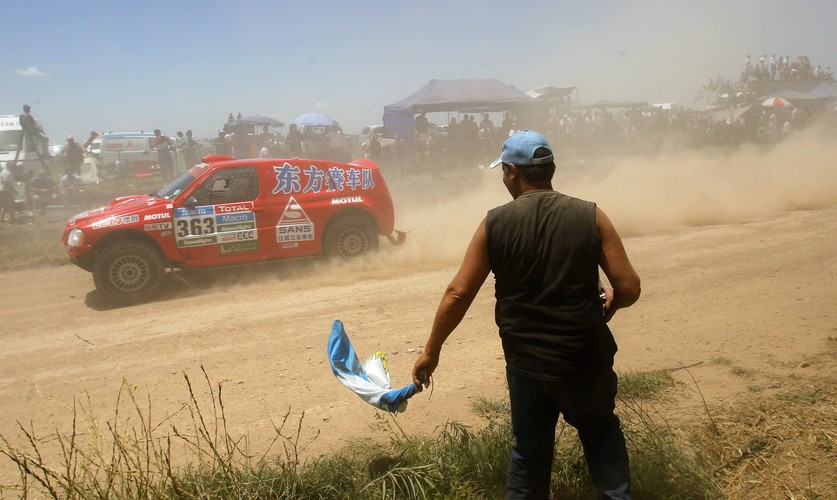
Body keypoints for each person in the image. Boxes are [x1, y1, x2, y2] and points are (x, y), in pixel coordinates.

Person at [412, 130, 641, 499]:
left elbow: (458, 294)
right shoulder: (591, 215)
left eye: (503, 172)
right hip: (584, 359)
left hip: (527, 366)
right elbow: (628, 288)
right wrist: (609, 303)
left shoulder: (494, 223)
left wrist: (431, 350)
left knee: (530, 451)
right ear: (550, 169)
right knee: (600, 433)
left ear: (511, 172)